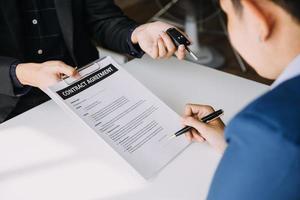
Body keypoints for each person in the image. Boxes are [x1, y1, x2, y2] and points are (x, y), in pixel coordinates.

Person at [181, 0, 300, 199]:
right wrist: (241, 151)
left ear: (258, 16)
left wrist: (257, 147)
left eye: (227, 14)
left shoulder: (270, 129)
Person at [0, 0, 187, 123]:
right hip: (9, 107)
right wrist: (22, 73)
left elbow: (103, 19)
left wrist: (138, 33)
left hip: (85, 90)